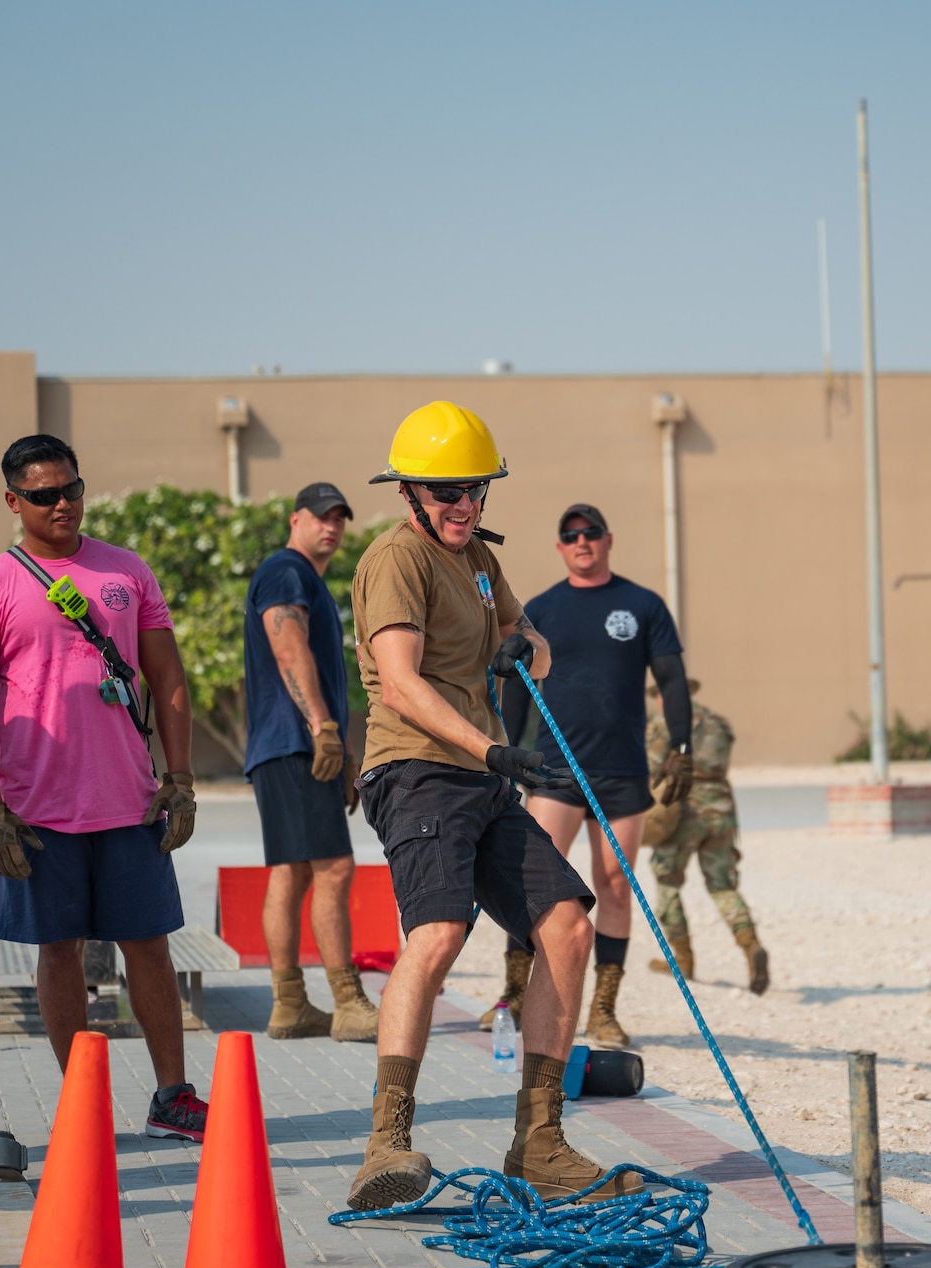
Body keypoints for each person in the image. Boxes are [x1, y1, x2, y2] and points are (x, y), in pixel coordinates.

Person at [346, 400, 638, 1209]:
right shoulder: (394, 560)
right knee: (437, 933)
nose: (459, 503)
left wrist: (523, 646)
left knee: (569, 926)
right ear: (409, 493)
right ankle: (387, 1141)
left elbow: (534, 649)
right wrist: (489, 748)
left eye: (472, 488)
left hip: (483, 773)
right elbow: (401, 683)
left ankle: (539, 1141)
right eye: (442, 491)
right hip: (416, 772)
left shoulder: (478, 558)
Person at [0, 434, 208, 1142]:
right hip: (36, 810)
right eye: (43, 495)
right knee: (57, 949)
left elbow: (169, 678)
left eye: (71, 489)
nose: (62, 504)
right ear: (13, 501)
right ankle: (81, 1102)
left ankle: (172, 1096)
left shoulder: (126, 570)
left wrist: (179, 778)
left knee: (148, 944)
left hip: (131, 798)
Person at [494, 503, 693, 1047]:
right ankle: (514, 995)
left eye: (591, 534)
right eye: (570, 536)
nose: (582, 542)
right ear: (560, 548)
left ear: (608, 540)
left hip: (621, 772)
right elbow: (514, 684)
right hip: (553, 770)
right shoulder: (539, 610)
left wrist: (682, 746)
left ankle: (603, 1010)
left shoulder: (642, 605)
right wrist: (505, 756)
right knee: (531, 884)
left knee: (614, 886)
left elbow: (672, 678)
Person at [243, 482, 377, 1043]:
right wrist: (324, 728)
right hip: (294, 742)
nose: (333, 526)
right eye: (322, 516)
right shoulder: (286, 569)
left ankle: (290, 1003)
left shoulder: (306, 578)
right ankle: (347, 1003)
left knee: (293, 872)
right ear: (296, 519)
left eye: (340, 518)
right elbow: (288, 645)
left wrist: (343, 747)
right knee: (334, 869)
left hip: (286, 745)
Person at [644, 679, 767, 993]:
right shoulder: (718, 724)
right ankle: (751, 946)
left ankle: (682, 960)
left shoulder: (662, 725)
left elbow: (652, 768)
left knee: (668, 882)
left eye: (658, 694)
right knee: (723, 885)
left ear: (665, 696)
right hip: (722, 812)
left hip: (681, 813)